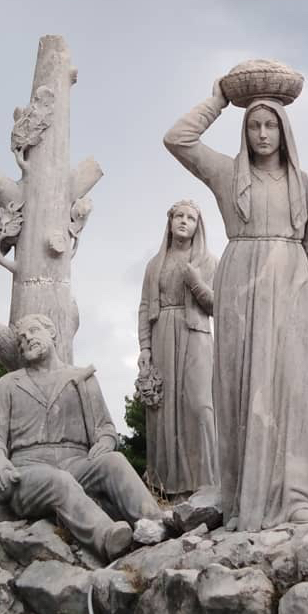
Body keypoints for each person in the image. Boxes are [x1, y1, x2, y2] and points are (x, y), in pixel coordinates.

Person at [164, 80, 308, 530]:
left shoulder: (307, 186)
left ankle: (298, 494)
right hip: (241, 283)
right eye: (254, 125)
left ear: (284, 130)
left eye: (270, 125)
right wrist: (218, 99)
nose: (262, 133)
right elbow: (177, 139)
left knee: (292, 387)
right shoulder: (228, 174)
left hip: (294, 284)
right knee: (242, 387)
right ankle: (245, 498)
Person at [0, 313, 161, 559]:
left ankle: (156, 522)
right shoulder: (9, 384)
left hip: (75, 463)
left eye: (33, 331)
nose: (27, 339)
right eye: (21, 339)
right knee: (59, 481)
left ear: (52, 333)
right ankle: (108, 538)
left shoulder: (82, 379)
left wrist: (106, 442)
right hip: (28, 472)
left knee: (114, 461)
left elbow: (105, 428)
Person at [137, 199, 218, 496]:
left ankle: (209, 484)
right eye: (179, 216)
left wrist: (196, 282)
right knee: (163, 411)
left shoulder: (209, 261)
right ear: (170, 222)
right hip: (161, 336)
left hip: (195, 334)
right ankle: (167, 488)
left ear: (199, 226)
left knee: (200, 406)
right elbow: (145, 307)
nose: (184, 221)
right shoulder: (154, 264)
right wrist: (145, 348)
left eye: (191, 218)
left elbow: (216, 305)